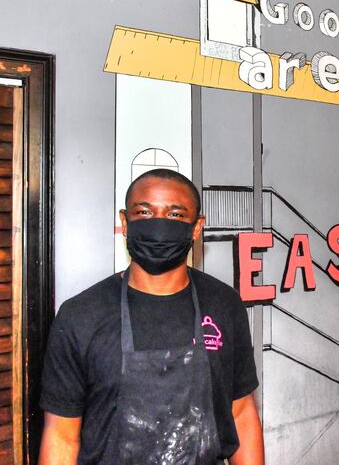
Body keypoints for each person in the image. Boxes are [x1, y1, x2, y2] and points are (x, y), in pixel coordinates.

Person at [39, 169, 264, 464]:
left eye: (174, 215)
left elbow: (241, 412)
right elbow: (62, 436)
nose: (158, 224)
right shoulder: (80, 315)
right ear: (125, 222)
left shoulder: (224, 304)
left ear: (197, 228)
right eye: (144, 212)